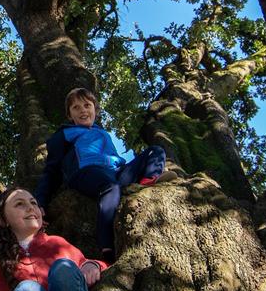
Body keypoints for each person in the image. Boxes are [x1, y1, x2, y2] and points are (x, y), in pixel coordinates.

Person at [34, 87, 176, 263]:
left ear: (95, 109)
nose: (83, 110)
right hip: (87, 171)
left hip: (116, 171)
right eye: (76, 108)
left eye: (87, 105)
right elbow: (51, 170)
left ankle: (147, 181)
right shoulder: (64, 134)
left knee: (155, 151)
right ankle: (107, 247)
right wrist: (40, 202)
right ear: (70, 115)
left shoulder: (102, 132)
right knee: (110, 187)